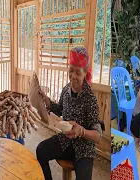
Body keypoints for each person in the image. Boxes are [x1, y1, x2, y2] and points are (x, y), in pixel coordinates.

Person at [36, 47, 102, 180]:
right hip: (65, 140)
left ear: (85, 73)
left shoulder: (90, 98)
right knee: (41, 150)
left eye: (77, 72)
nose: (73, 76)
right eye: (71, 70)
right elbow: (60, 109)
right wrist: (47, 101)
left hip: (84, 148)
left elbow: (98, 136)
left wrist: (81, 131)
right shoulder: (66, 90)